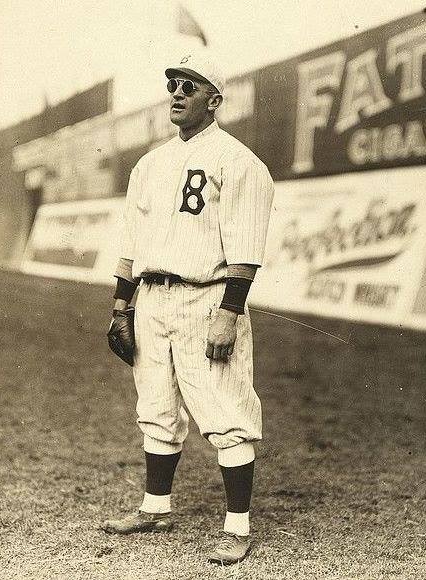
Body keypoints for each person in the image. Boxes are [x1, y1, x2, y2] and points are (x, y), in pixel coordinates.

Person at [102, 53, 275, 565]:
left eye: (190, 86)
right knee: (155, 406)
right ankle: (156, 507)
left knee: (226, 409)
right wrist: (120, 304)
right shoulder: (150, 163)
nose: (176, 93)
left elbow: (246, 248)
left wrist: (229, 311)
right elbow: (131, 240)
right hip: (152, 297)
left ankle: (238, 527)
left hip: (208, 297)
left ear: (214, 100)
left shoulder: (239, 161)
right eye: (172, 84)